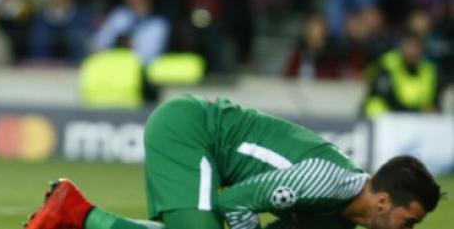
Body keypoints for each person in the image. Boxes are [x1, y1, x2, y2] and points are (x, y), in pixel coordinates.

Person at [25, 95, 440, 229]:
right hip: (191, 130)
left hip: (201, 139)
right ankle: (78, 214)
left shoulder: (338, 217)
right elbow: (233, 203)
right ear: (384, 202)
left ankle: (72, 210)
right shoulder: (328, 181)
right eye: (409, 222)